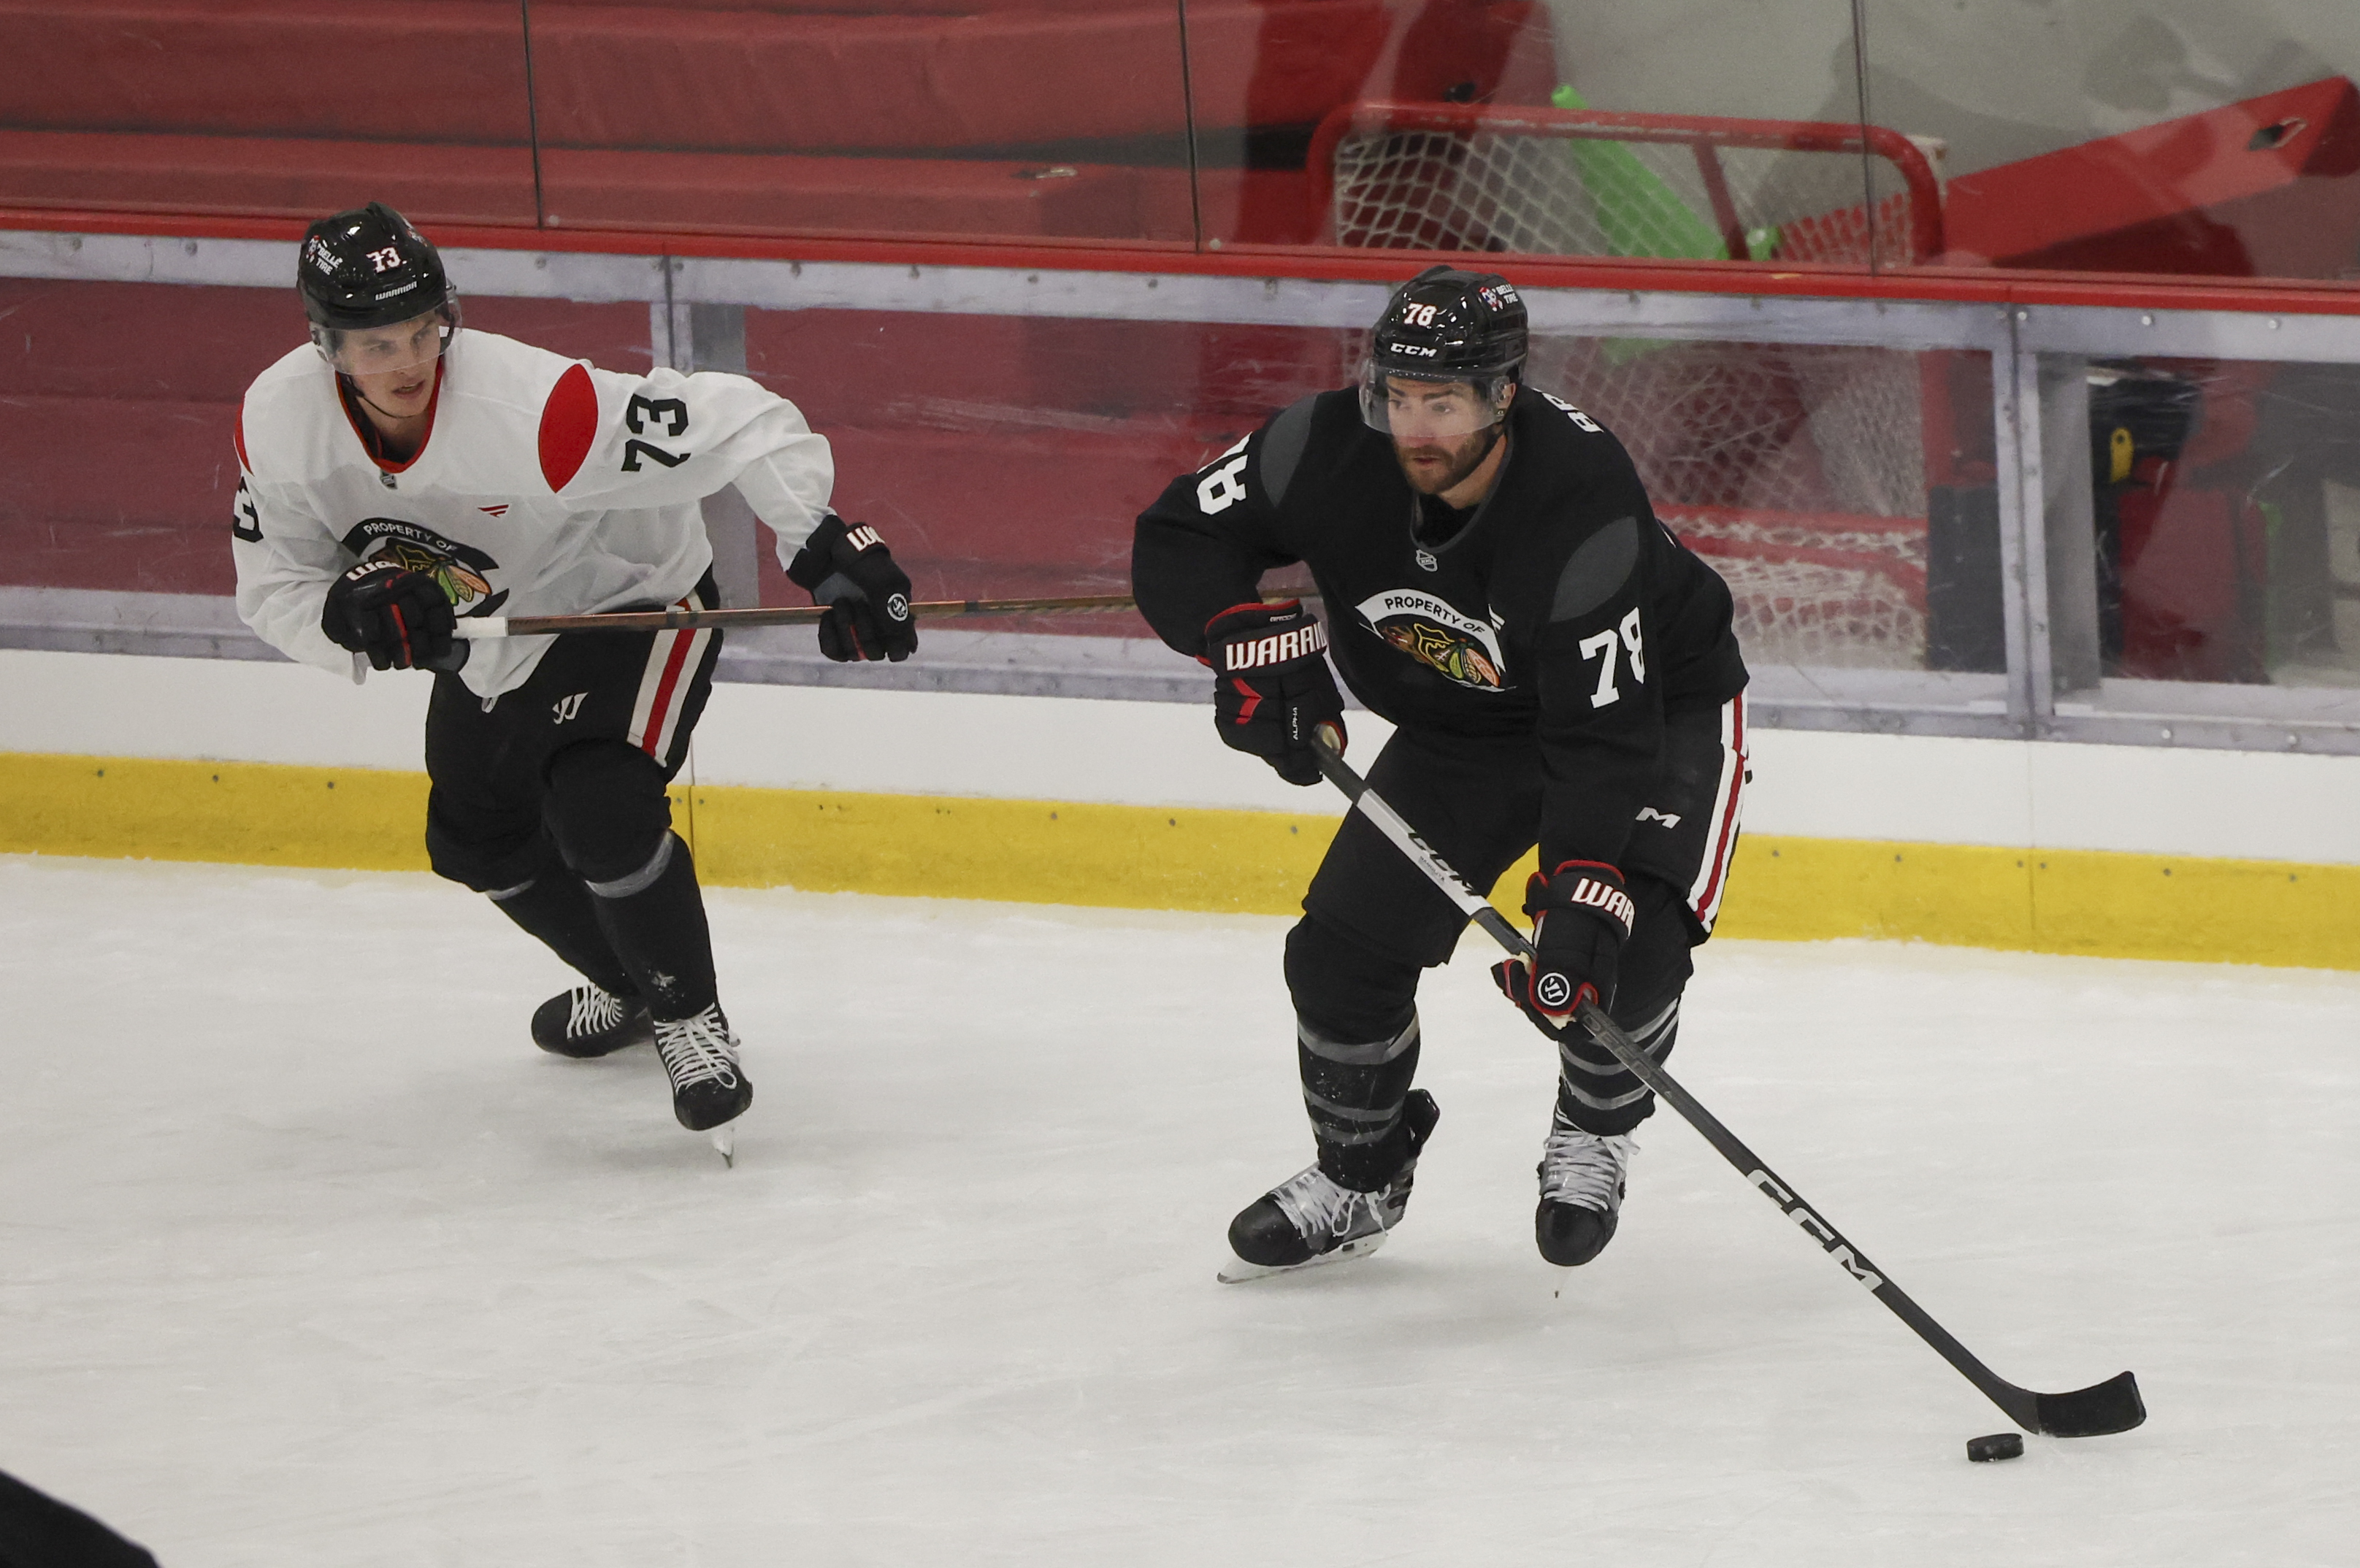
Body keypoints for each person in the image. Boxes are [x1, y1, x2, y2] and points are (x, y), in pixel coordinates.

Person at [231, 202, 917, 1148]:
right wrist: (349, 621)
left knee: (600, 802)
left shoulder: (536, 408)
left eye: (424, 329)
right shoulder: (279, 426)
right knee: (475, 838)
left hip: (630, 597)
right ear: (325, 345)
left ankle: (689, 1017)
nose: (406, 362)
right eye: (374, 342)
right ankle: (632, 985)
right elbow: (276, 588)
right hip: (498, 630)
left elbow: (741, 421)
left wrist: (822, 540)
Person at [1132, 265, 1749, 1277]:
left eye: (1445, 403)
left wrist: (1581, 885)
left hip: (1650, 712)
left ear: (1503, 395)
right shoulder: (1323, 443)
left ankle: (1595, 1128)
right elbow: (1179, 534)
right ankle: (1361, 1176)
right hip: (1464, 727)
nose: (1415, 427)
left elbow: (1601, 736)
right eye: (1399, 397)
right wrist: (1238, 638)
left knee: (1618, 956)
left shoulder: (1582, 501)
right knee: (1336, 964)